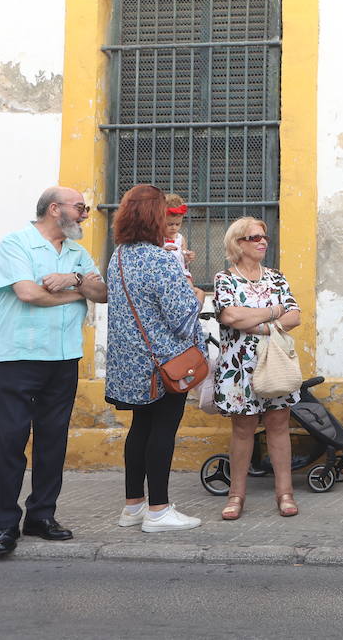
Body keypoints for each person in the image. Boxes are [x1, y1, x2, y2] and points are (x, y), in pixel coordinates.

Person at [0, 187, 108, 557]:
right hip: (16, 357)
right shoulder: (16, 243)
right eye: (80, 207)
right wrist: (79, 290)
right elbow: (28, 293)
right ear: (55, 209)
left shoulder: (77, 253)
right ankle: (6, 524)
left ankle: (41, 515)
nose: (86, 214)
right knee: (10, 441)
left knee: (53, 441)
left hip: (63, 356)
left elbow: (101, 292)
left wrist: (72, 279)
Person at [105, 184, 206, 533]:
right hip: (164, 364)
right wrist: (197, 295)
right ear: (153, 218)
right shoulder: (161, 260)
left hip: (131, 365)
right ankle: (159, 510)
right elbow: (182, 320)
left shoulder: (118, 256)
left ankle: (133, 506)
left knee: (140, 429)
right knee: (163, 430)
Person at [211, 216, 303, 520]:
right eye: (254, 237)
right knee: (242, 430)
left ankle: (285, 494)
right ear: (238, 243)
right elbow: (231, 317)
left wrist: (261, 323)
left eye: (263, 237)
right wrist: (274, 311)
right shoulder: (224, 278)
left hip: (273, 361)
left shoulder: (276, 277)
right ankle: (236, 495)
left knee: (279, 426)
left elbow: (294, 317)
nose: (263, 241)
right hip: (239, 367)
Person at [162, 192, 205, 307]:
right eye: (169, 224)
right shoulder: (158, 238)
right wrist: (162, 249)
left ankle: (193, 313)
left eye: (178, 224)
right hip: (164, 276)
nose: (174, 227)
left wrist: (188, 256)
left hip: (182, 274)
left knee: (190, 292)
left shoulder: (180, 238)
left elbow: (184, 258)